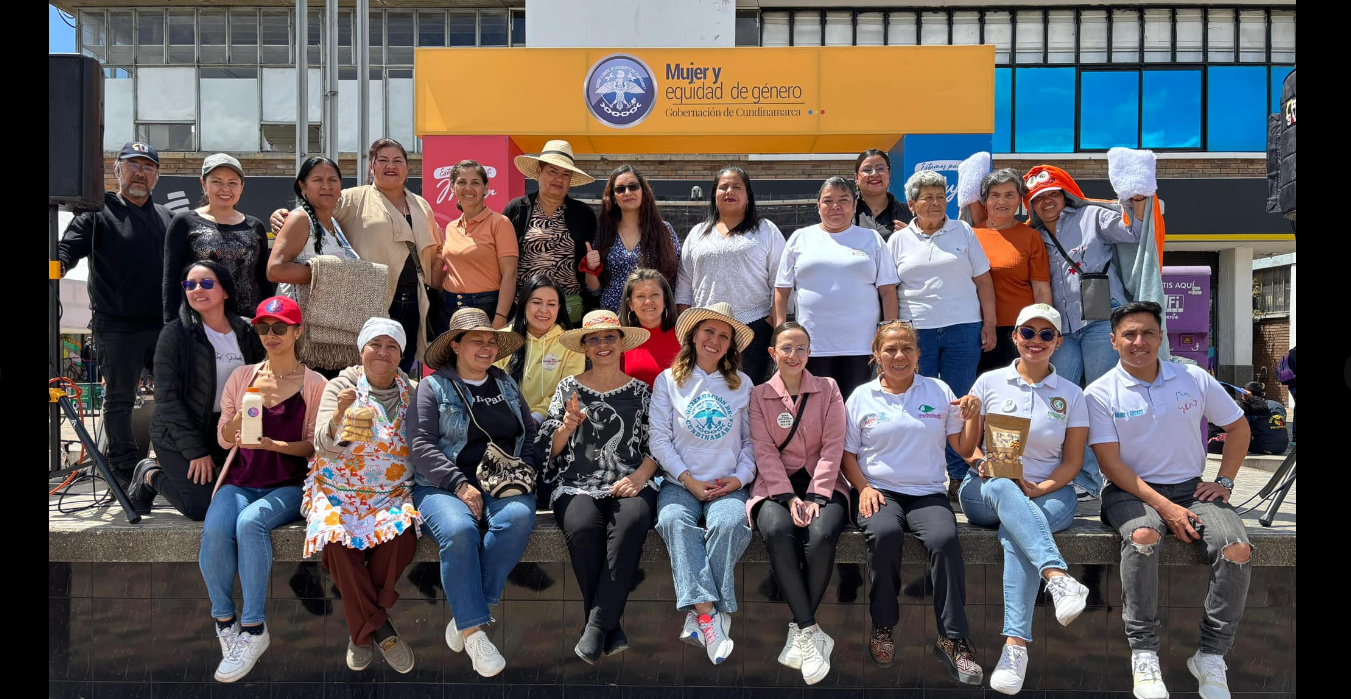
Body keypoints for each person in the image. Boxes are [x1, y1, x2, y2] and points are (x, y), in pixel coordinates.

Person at [1085, 301, 1252, 699]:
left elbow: (1238, 427)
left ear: (1161, 338)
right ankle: (1144, 653)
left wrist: (1225, 480)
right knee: (1143, 537)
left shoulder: (1193, 378)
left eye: (1147, 333)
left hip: (1192, 489)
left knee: (1238, 549)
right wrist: (1165, 508)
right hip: (1130, 492)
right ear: (1113, 341)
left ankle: (1211, 656)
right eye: (1129, 334)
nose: (1138, 342)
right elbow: (1110, 465)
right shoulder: (1099, 393)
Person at [957, 304, 1093, 695]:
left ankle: (1015, 648)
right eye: (1028, 333)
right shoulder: (989, 382)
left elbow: (1071, 463)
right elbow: (968, 448)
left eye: (1046, 334)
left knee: (1016, 533)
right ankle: (1058, 577)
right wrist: (979, 447)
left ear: (1058, 342)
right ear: (1014, 336)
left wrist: (1039, 488)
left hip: (1049, 491)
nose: (1036, 341)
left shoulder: (1072, 394)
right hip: (986, 488)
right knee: (1003, 487)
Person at [840, 321, 982, 683]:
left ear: (919, 355)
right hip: (879, 491)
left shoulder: (938, 390)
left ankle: (953, 638)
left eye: (907, 348)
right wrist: (863, 488)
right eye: (890, 349)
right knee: (884, 535)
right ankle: (883, 627)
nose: (898, 355)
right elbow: (846, 453)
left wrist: (973, 416)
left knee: (944, 540)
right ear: (876, 355)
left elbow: (963, 449)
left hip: (927, 492)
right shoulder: (861, 396)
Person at [204, 295, 328, 683]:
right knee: (215, 529)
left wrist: (277, 446)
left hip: (289, 484)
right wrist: (243, 412)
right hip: (241, 479)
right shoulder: (242, 378)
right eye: (262, 328)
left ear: (297, 331)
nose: (270, 335)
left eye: (279, 328)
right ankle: (225, 620)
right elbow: (224, 440)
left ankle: (254, 628)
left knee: (250, 525)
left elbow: (315, 446)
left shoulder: (315, 384)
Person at [408, 308, 537, 678]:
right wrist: (459, 484)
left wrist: (522, 470)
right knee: (459, 532)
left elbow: (527, 433)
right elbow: (420, 445)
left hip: (503, 480)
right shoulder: (432, 387)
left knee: (516, 519)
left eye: (491, 340)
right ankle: (475, 633)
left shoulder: (506, 384)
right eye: (477, 340)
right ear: (455, 346)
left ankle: (469, 611)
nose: (486, 347)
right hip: (443, 484)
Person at [537, 310, 658, 663]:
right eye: (595, 339)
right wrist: (566, 427)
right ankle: (607, 625)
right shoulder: (567, 388)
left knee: (632, 522)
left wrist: (639, 477)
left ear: (622, 344)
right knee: (582, 527)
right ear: (585, 347)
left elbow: (658, 445)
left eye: (609, 338)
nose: (603, 344)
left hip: (632, 481)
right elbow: (549, 448)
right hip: (576, 483)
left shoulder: (641, 392)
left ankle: (594, 627)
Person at [1025, 164, 1151, 500]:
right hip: (1059, 332)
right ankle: (1063, 471)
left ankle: (1093, 479)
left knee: (1100, 402)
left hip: (1100, 322)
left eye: (1052, 194)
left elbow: (1135, 232)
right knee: (1059, 402)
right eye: (1038, 198)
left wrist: (1136, 198)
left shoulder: (1092, 216)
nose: (1046, 202)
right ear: (1031, 204)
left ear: (1064, 194)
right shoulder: (1032, 235)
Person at [304, 317, 422, 675]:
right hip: (339, 490)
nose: (383, 353)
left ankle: (361, 629)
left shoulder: (414, 391)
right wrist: (340, 413)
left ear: (401, 355)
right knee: (338, 545)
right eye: (376, 345)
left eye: (392, 347)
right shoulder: (341, 385)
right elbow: (322, 447)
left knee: (402, 538)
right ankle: (378, 629)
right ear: (362, 350)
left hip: (392, 493)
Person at [58, 142, 174, 486]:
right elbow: (68, 249)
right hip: (116, 327)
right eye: (132, 165)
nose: (140, 172)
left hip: (163, 326)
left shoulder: (167, 217)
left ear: (156, 176)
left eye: (148, 166)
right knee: (119, 400)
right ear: (116, 170)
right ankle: (123, 469)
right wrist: (59, 263)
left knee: (177, 394)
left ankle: (167, 462)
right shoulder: (96, 212)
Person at [271, 140, 443, 372]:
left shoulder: (421, 205)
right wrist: (281, 215)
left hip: (414, 301)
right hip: (368, 301)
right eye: (382, 160)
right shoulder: (352, 198)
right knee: (365, 369)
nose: (390, 165)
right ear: (371, 167)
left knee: (399, 369)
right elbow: (316, 209)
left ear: (407, 168)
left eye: (397, 160)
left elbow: (438, 247)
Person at [650, 302, 757, 665]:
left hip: (728, 483)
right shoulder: (668, 381)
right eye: (708, 332)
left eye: (723, 336)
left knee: (729, 523)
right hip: (681, 483)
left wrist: (739, 479)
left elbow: (752, 443)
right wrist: (687, 479)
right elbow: (659, 440)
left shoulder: (744, 385)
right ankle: (711, 614)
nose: (714, 340)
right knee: (672, 521)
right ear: (693, 335)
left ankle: (699, 618)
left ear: (730, 346)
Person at [747, 321, 849, 685]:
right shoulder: (759, 395)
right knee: (776, 529)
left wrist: (817, 495)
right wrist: (788, 496)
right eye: (786, 348)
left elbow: (834, 445)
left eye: (801, 348)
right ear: (773, 353)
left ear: (810, 353)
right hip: (777, 484)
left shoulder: (829, 388)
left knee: (821, 536)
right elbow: (763, 450)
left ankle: (800, 629)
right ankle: (810, 629)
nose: (794, 355)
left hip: (825, 482)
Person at [887, 169, 997, 499]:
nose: (935, 203)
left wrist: (989, 323)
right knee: (918, 401)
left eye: (940, 197)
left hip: (963, 328)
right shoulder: (897, 240)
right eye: (927, 198)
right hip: (915, 332)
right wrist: (892, 335)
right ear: (911, 204)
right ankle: (921, 470)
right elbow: (889, 289)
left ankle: (959, 473)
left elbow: (983, 281)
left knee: (959, 402)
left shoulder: (963, 231)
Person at [130, 262, 264, 518]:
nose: (197, 289)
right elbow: (167, 399)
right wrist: (196, 451)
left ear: (225, 291)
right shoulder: (174, 334)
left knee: (243, 495)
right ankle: (150, 474)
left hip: (226, 429)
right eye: (190, 285)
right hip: (179, 431)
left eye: (206, 283)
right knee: (202, 507)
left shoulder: (247, 330)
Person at [773, 176, 900, 400]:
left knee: (855, 410)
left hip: (861, 346)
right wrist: (781, 332)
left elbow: (888, 291)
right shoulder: (800, 238)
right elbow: (782, 291)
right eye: (828, 201)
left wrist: (888, 334)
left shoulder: (871, 239)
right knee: (813, 409)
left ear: (854, 205)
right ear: (818, 206)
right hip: (810, 346)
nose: (835, 207)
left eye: (843, 200)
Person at [676, 167, 785, 385]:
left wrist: (773, 322)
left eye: (737, 186)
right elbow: (685, 282)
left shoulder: (766, 230)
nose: (729, 191)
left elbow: (780, 281)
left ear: (748, 196)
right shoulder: (698, 233)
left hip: (753, 327)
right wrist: (689, 328)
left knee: (745, 395)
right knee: (706, 392)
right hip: (706, 329)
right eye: (723, 187)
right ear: (714, 195)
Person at [163, 154, 271, 323]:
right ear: (203, 184)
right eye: (217, 181)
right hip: (199, 325)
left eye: (233, 183)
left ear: (242, 187)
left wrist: (267, 321)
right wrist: (171, 327)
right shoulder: (183, 222)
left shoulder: (255, 226)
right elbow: (171, 280)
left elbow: (264, 280)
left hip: (249, 325)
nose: (225, 188)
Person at [966, 168, 1052, 373]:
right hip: (975, 329)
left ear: (1019, 200)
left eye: (1009, 195)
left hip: (1020, 330)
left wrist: (1044, 328)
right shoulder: (969, 236)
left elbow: (1041, 290)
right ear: (985, 201)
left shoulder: (1031, 237)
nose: (1002, 201)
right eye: (995, 195)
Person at [503, 139, 598, 324]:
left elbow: (591, 264)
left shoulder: (583, 214)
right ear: (539, 172)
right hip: (525, 308)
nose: (559, 179)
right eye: (552, 171)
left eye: (565, 174)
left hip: (569, 309)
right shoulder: (517, 209)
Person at [432, 160, 518, 334]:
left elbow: (510, 274)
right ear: (452, 187)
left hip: (486, 308)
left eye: (475, 183)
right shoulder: (451, 227)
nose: (468, 188)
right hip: (450, 308)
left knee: (485, 360)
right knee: (452, 361)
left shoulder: (500, 223)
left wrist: (500, 316)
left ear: (485, 188)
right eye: (462, 182)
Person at [587, 165, 681, 313]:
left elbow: (675, 279)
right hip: (614, 323)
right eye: (620, 189)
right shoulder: (603, 233)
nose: (627, 192)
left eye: (633, 186)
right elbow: (594, 291)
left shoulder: (664, 230)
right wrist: (590, 269)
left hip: (652, 319)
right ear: (613, 197)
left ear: (643, 191)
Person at [495, 275, 585, 426]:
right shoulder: (504, 338)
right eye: (536, 302)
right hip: (504, 421)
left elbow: (567, 391)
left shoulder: (571, 343)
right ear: (524, 305)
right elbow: (491, 385)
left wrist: (536, 417)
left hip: (551, 423)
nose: (544, 310)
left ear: (559, 308)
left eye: (551, 304)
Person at [267, 156, 358, 299]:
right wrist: (329, 274)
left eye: (333, 180)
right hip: (300, 318)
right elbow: (275, 270)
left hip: (330, 317)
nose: (327, 186)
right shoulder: (300, 219)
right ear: (303, 186)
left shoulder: (336, 224)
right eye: (317, 180)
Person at [619, 268, 681, 388]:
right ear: (630, 304)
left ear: (665, 301)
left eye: (654, 295)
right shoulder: (620, 339)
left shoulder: (684, 335)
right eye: (640, 296)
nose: (648, 301)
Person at [1207, 382, 1288, 456]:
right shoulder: (1278, 405)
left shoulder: (1250, 409)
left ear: (1245, 395)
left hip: (1264, 448)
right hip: (1282, 447)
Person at [853, 148, 912, 240]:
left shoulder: (909, 212)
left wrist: (914, 238)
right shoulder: (845, 211)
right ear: (856, 178)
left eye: (880, 168)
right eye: (867, 170)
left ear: (889, 174)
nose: (874, 174)